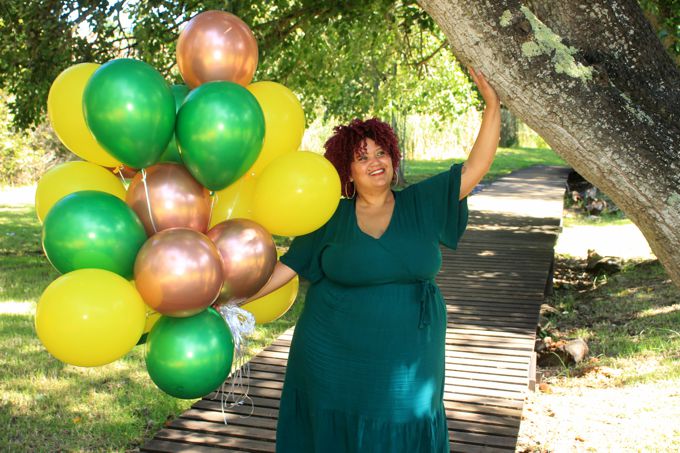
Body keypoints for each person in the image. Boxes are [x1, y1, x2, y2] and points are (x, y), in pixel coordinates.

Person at [243, 68, 500, 453]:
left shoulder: (421, 203)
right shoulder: (329, 214)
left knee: (408, 417)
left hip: (411, 345)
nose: (375, 162)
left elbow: (475, 167)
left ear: (393, 156)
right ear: (347, 171)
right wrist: (232, 299)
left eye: (381, 152)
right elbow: (289, 266)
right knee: (334, 426)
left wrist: (492, 104)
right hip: (332, 350)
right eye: (362, 157)